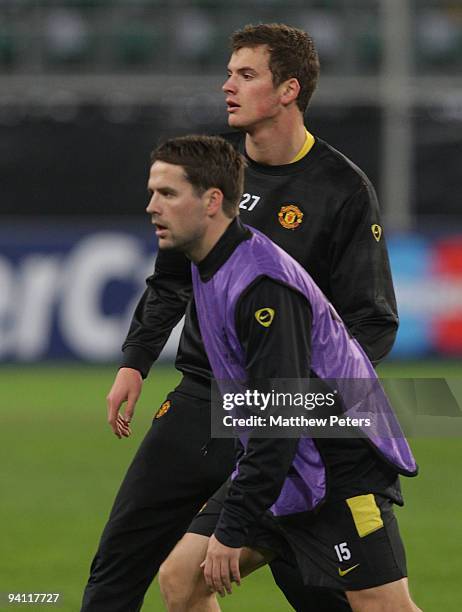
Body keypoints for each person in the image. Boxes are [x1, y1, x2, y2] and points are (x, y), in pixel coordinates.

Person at [81, 24, 399, 612]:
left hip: (284, 409)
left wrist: (298, 397)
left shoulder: (342, 189)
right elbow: (170, 278)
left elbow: (372, 324)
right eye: (229, 72)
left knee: (316, 591)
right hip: (204, 395)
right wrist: (134, 362)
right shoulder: (212, 174)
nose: (227, 85)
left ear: (288, 90)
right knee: (125, 563)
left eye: (245, 74)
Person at [144, 134, 420, 612]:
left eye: (167, 194)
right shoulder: (211, 264)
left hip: (337, 460)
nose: (151, 207)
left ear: (211, 202)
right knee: (183, 579)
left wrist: (232, 530)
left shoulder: (261, 284)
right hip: (281, 455)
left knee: (382, 607)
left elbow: (282, 413)